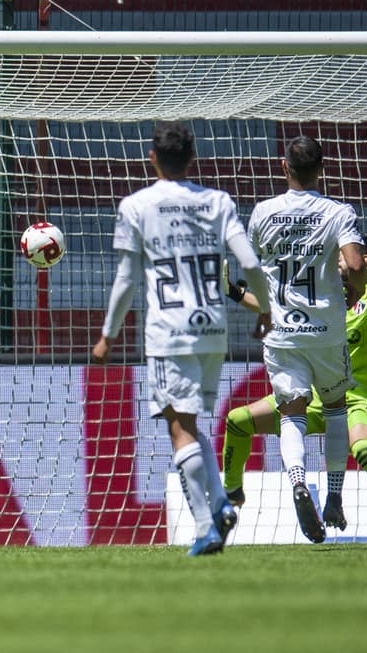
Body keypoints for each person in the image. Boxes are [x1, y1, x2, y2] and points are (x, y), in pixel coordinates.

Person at [91, 121, 271, 556]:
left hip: (169, 332)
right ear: (193, 158)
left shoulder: (137, 205)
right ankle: (221, 504)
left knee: (178, 428)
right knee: (189, 423)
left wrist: (107, 335)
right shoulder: (217, 201)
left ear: (151, 158)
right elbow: (248, 260)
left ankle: (207, 527)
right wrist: (265, 308)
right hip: (212, 328)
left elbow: (127, 277)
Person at [230, 136, 367, 543]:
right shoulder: (338, 212)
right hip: (325, 329)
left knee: (292, 413)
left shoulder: (263, 212)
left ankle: (296, 482)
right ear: (321, 169)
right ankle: (336, 495)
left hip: (282, 332)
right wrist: (357, 290)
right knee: (336, 408)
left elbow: (257, 273)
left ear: (284, 167)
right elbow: (356, 264)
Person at [221, 243, 367, 537]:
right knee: (237, 421)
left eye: (343, 255)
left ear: (363, 260)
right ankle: (233, 494)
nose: (337, 259)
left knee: (362, 447)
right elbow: (275, 308)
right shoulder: (322, 293)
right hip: (313, 396)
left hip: (358, 402)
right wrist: (234, 292)